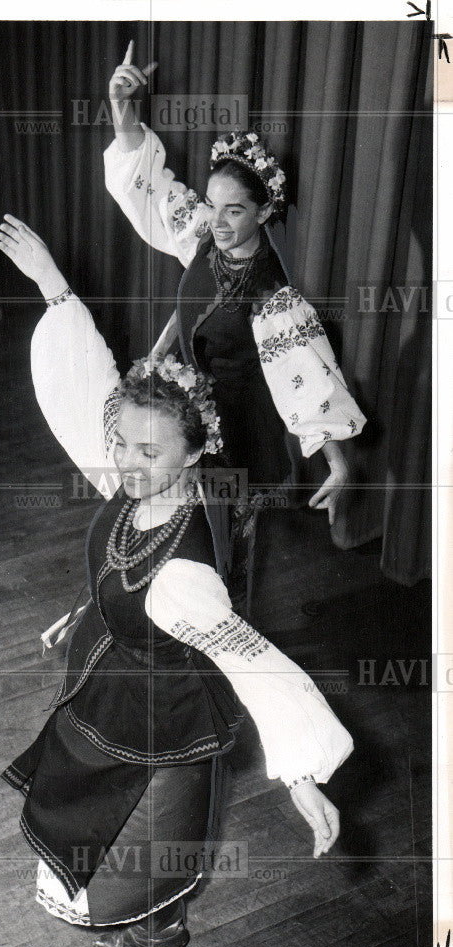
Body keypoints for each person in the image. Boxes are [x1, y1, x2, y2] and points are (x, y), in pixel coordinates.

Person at [0, 214, 353, 947]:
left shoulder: (186, 580)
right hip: (110, 668)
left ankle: (158, 929)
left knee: (146, 835)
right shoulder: (140, 481)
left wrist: (301, 776)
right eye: (120, 441)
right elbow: (88, 394)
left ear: (195, 453)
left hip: (161, 711)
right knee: (94, 808)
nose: (125, 459)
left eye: (147, 450)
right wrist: (55, 291)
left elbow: (253, 662)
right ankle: (142, 918)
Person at [105, 43, 367, 596]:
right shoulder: (206, 235)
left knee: (228, 544)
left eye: (236, 210)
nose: (219, 222)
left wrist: (338, 464)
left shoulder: (273, 296)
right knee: (182, 523)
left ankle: (229, 634)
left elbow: (306, 378)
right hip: (189, 416)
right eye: (214, 205)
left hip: (241, 433)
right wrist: (121, 112)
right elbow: (155, 195)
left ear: (265, 213)